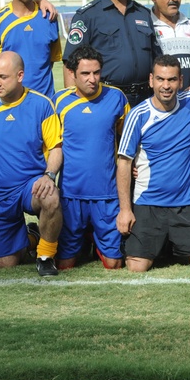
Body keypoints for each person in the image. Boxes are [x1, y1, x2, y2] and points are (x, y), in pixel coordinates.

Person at [0, 51, 63, 276]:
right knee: (7, 263)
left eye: (3, 77)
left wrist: (49, 175)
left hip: (30, 186)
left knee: (51, 196)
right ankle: (32, 236)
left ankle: (45, 256)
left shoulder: (41, 105)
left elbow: (56, 147)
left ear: (20, 75)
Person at [116, 55, 190, 271]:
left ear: (180, 81)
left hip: (186, 205)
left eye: (171, 80)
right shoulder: (138, 115)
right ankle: (163, 244)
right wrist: (125, 210)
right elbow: (124, 163)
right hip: (148, 203)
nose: (166, 86)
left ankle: (172, 243)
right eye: (161, 79)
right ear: (151, 80)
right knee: (137, 267)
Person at [53, 46, 129, 270]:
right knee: (65, 264)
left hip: (107, 195)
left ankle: (95, 240)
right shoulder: (59, 102)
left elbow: (128, 142)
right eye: (85, 74)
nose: (92, 79)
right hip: (70, 195)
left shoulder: (116, 97)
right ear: (72, 74)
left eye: (96, 73)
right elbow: (51, 146)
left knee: (114, 264)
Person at [63, 0, 160, 104]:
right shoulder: (88, 16)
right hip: (105, 100)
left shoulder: (143, 14)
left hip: (145, 100)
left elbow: (156, 59)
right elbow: (70, 65)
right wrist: (75, 107)